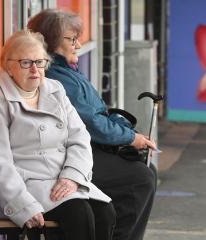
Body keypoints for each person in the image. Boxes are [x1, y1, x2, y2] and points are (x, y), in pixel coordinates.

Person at [0, 30, 116, 240]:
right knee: (79, 214)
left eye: (39, 62)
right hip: (25, 187)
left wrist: (72, 177)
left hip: (60, 182)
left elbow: (80, 137)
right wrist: (22, 205)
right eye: (26, 62)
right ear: (8, 66)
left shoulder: (55, 89)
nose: (35, 70)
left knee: (105, 212)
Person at [28, 9, 157, 240]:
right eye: (72, 39)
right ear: (51, 41)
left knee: (146, 170)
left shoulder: (69, 71)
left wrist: (132, 133)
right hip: (66, 159)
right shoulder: (58, 77)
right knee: (140, 178)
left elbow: (99, 113)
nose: (78, 45)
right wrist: (130, 138)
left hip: (83, 151)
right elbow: (92, 124)